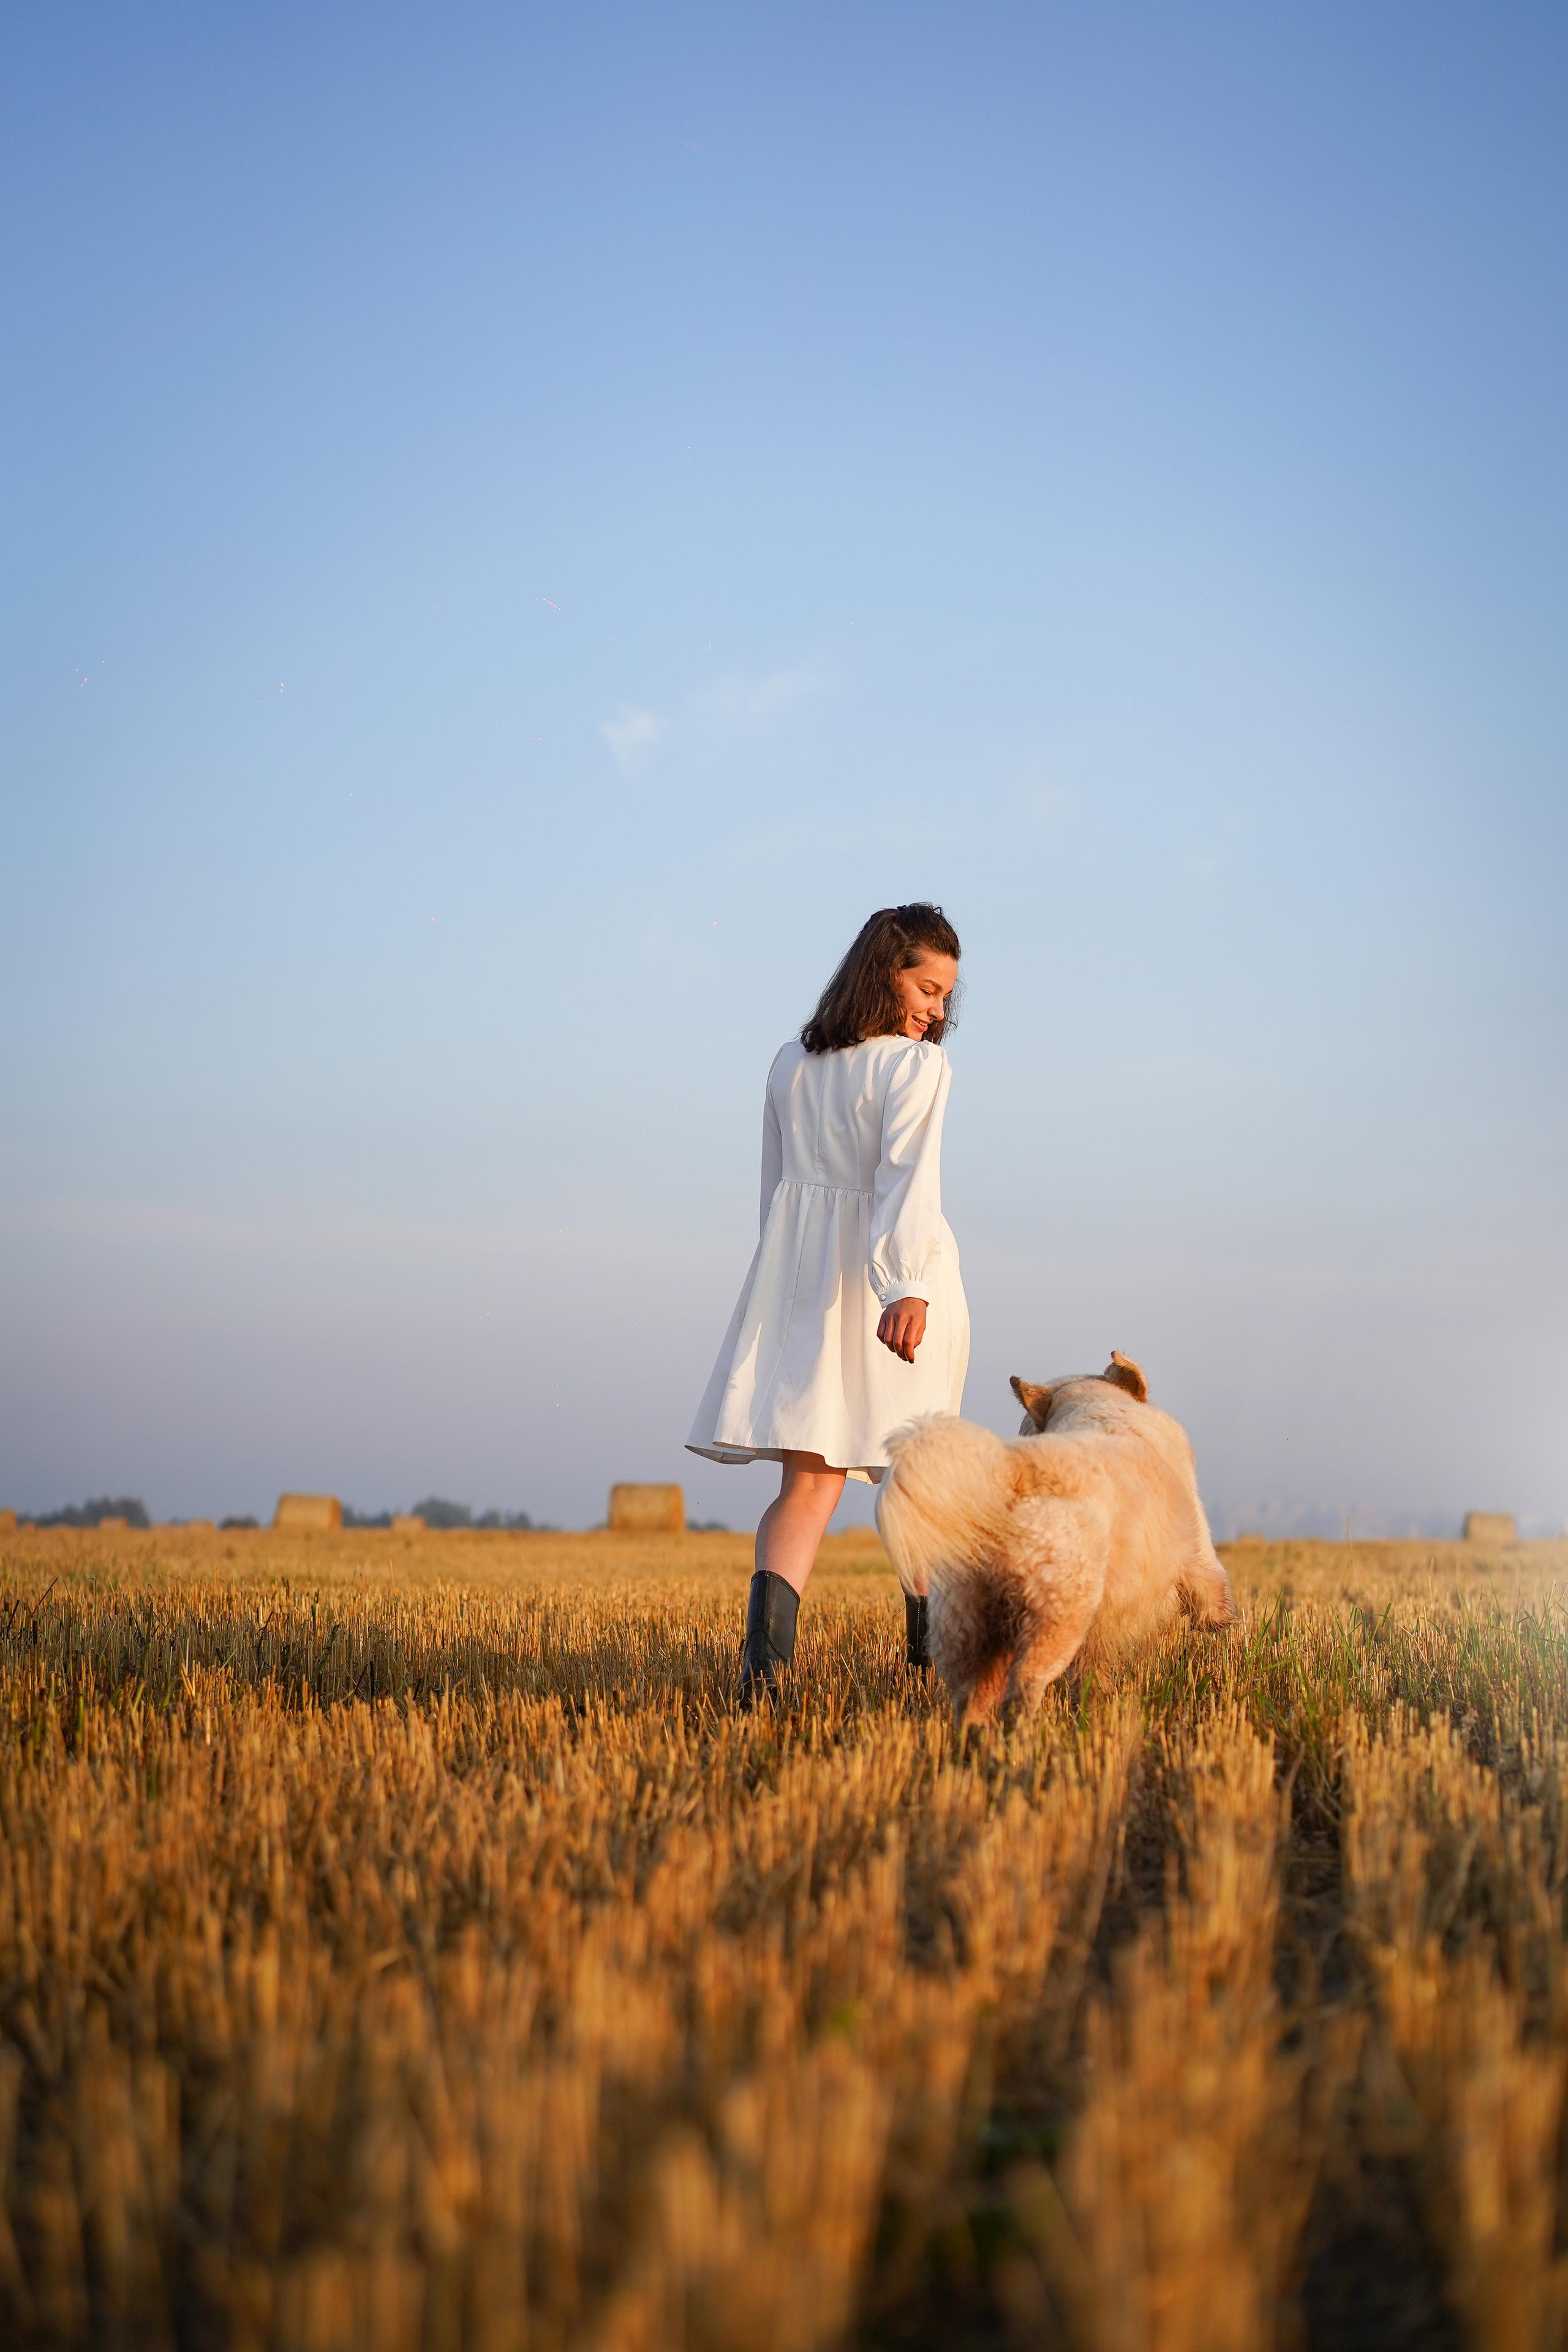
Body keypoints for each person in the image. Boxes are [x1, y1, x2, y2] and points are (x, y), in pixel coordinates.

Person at [687, 903, 970, 1703]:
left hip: (807, 1288)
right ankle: (931, 1670)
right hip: (898, 1291)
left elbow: (777, 1199)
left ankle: (764, 1681)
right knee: (918, 1479)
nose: (937, 1011)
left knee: (809, 1488)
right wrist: (906, 1285)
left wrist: (784, 1291)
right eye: (926, 988)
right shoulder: (915, 1069)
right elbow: (908, 1182)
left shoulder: (790, 1064)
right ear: (883, 973)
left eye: (946, 996)